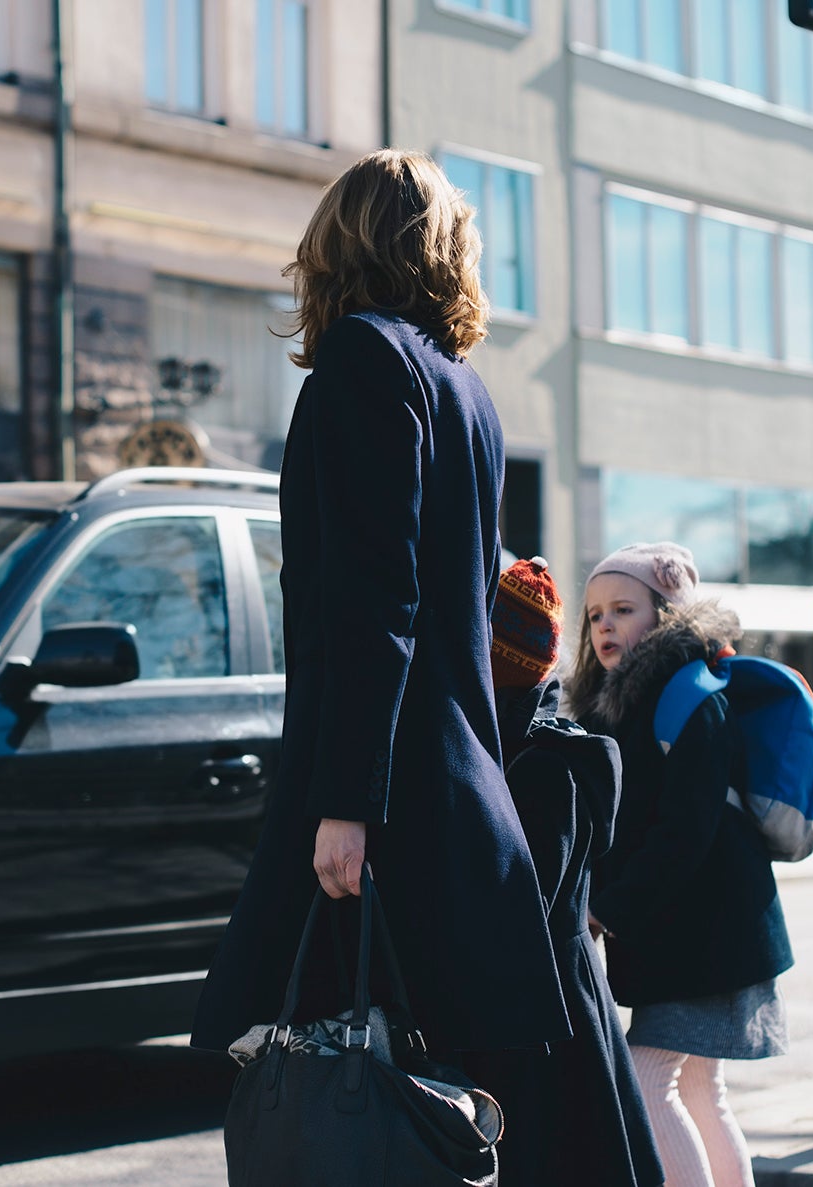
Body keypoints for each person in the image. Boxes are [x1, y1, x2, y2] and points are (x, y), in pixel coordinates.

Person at [191, 152, 570, 1082]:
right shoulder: (463, 385)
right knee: (431, 1102)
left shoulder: (365, 359)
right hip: (450, 783)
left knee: (336, 1099)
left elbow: (376, 602)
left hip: (386, 792)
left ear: (337, 241)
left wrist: (346, 804)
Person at [567, 542, 793, 1187]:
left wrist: (607, 909)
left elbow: (684, 833)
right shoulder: (624, 706)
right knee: (698, 1090)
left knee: (645, 1081)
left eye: (623, 609)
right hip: (690, 934)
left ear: (667, 616)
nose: (604, 625)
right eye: (594, 615)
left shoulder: (690, 696)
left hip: (709, 936)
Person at [470, 558, 664, 1187]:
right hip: (559, 1008)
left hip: (545, 1017)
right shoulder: (537, 749)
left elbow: (523, 908)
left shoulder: (539, 766)